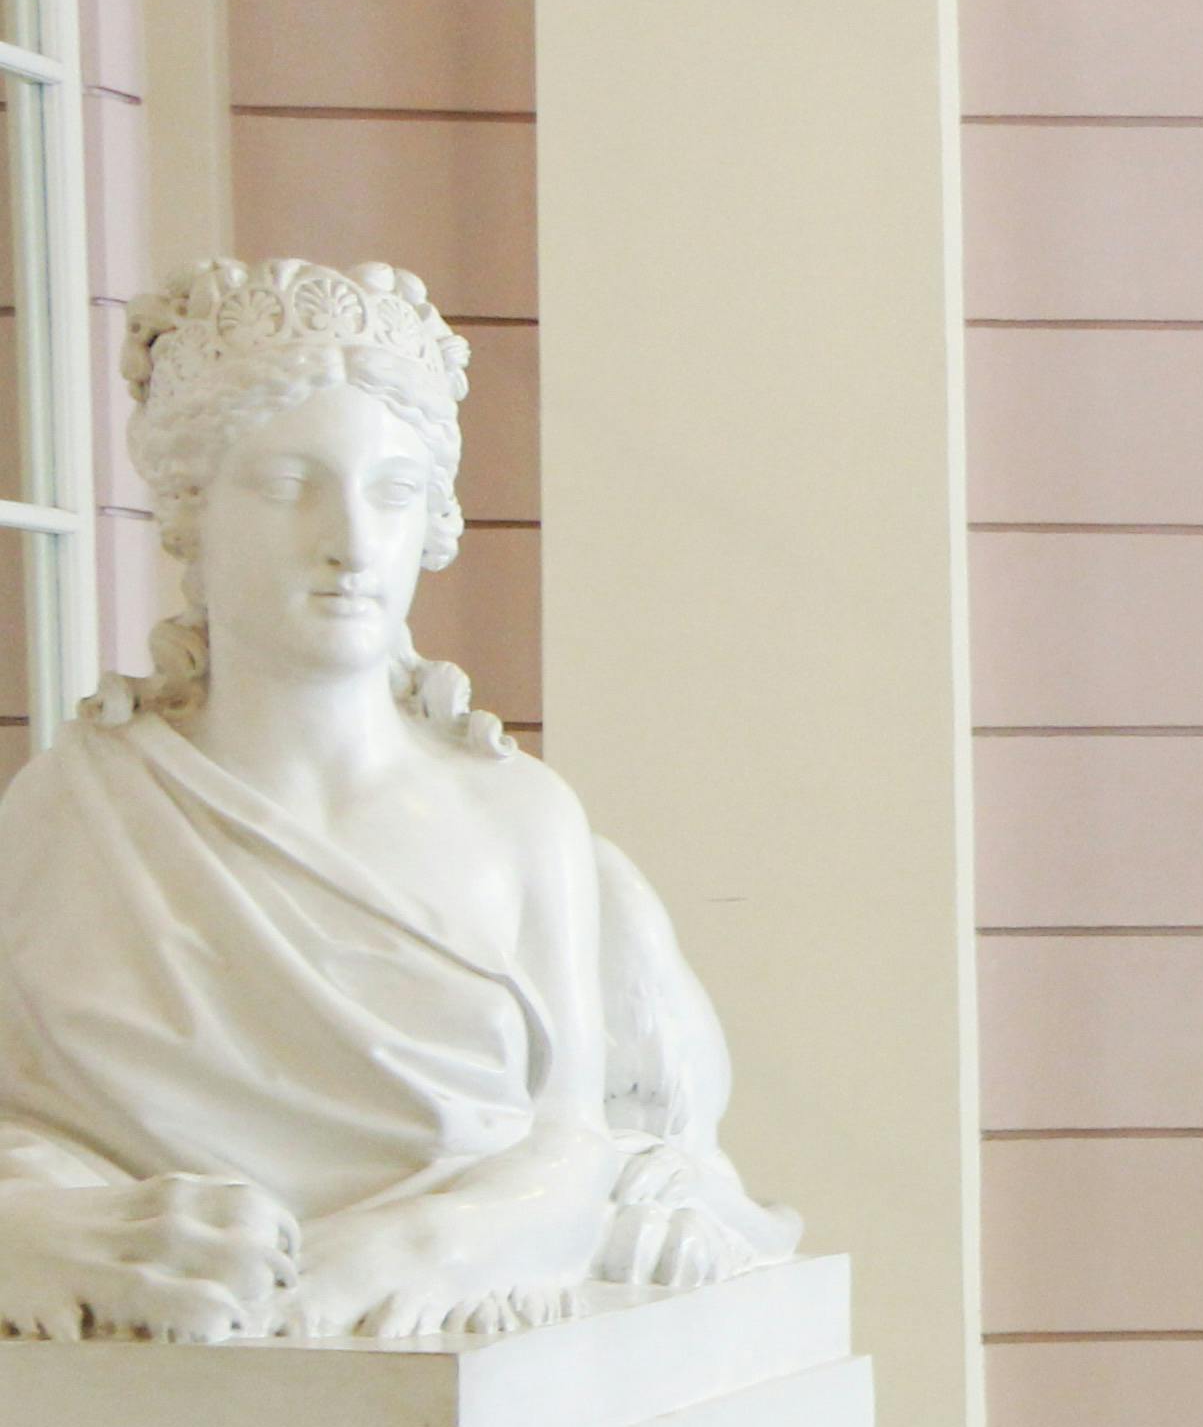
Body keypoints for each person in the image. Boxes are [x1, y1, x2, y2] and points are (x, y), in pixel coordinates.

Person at [0, 258, 795, 1341]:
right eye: (287, 486)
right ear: (189, 509)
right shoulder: (77, 813)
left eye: (394, 490)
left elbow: (568, 1145)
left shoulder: (517, 820)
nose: (351, 542)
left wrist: (419, 1244)